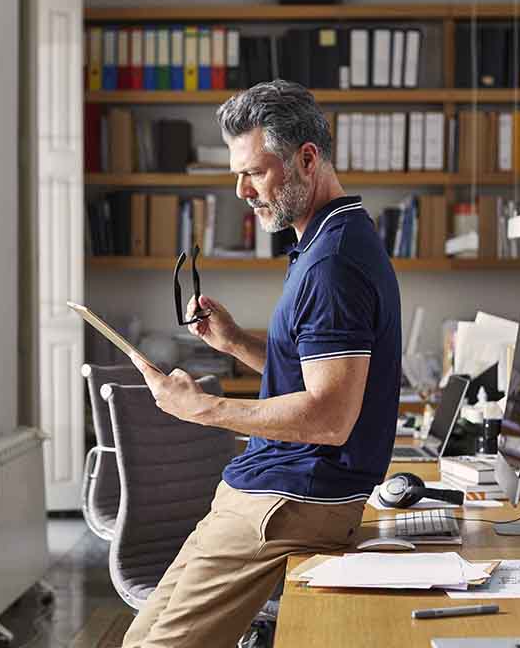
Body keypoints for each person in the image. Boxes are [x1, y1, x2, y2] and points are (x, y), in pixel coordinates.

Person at [126, 80, 402, 648]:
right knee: (139, 639)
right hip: (271, 486)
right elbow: (315, 374)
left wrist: (202, 408)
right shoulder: (326, 239)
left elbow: (329, 417)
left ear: (306, 159)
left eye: (254, 172)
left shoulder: (333, 264)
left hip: (289, 495)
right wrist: (236, 344)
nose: (240, 190)